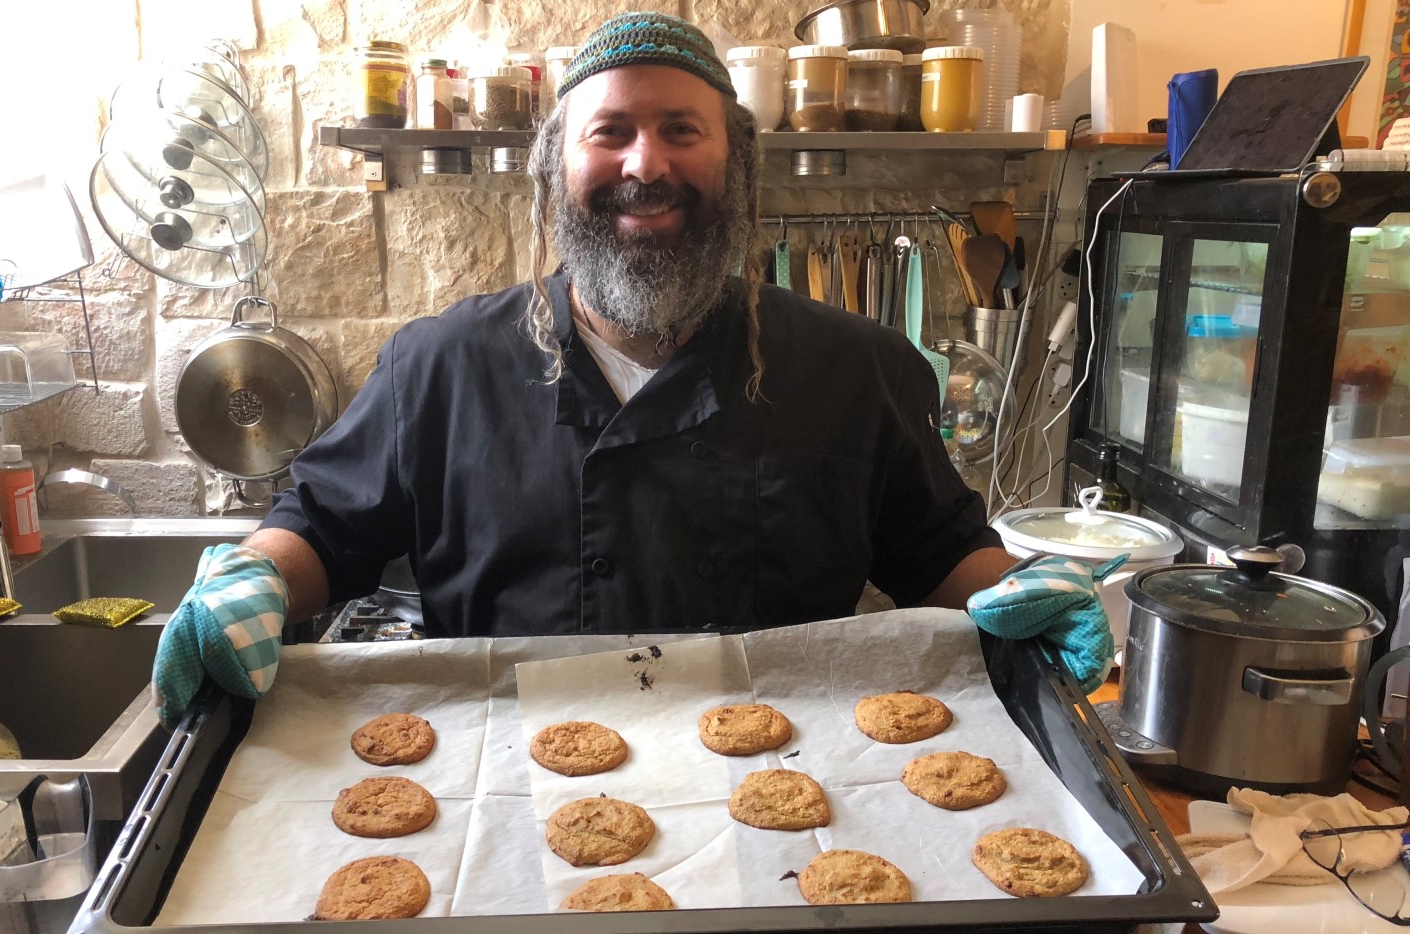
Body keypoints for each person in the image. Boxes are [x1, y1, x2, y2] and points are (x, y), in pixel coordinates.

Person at [151, 13, 1114, 726]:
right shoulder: (437, 368)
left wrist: (1011, 598)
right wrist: (254, 582)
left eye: (681, 131)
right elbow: (323, 524)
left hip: (781, 782)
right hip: (503, 788)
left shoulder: (854, 368)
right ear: (554, 167)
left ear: (733, 164)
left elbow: (937, 550)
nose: (644, 163)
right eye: (609, 132)